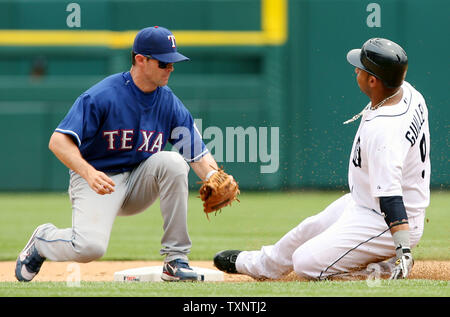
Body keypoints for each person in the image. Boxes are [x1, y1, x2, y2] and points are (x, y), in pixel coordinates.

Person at [15, 26, 232, 282]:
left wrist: (214, 176)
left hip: (139, 180)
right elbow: (58, 141)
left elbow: (197, 153)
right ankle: (42, 240)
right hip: (98, 180)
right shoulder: (103, 95)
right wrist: (88, 172)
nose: (171, 68)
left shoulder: (169, 102)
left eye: (174, 62)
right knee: (89, 248)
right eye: (164, 62)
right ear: (141, 59)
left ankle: (176, 259)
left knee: (173, 162)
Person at [214, 38, 430, 280]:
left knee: (306, 264)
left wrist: (403, 248)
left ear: (373, 80)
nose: (356, 70)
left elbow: (390, 198)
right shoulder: (409, 93)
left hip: (384, 221)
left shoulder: (384, 131)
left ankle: (387, 270)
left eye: (361, 67)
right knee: (308, 228)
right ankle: (260, 265)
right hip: (365, 201)